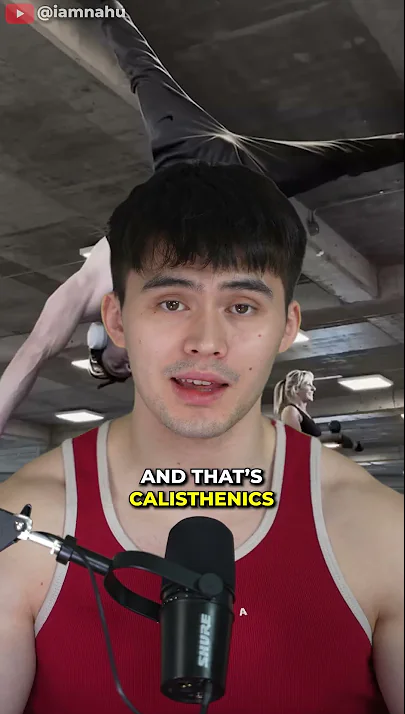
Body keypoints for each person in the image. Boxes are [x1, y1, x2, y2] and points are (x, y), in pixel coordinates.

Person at [0, 162, 403, 714]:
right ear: (117, 320)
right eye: (172, 302)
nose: (206, 342)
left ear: (287, 327)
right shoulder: (23, 527)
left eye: (242, 306)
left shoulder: (383, 534)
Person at [0, 1, 403, 436]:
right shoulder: (173, 318)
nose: (130, 361)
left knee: (142, 66)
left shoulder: (92, 284)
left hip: (184, 147)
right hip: (250, 178)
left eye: (118, 362)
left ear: (106, 332)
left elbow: (33, 354)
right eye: (130, 368)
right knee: (346, 156)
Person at [273, 369, 321, 437]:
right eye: (308, 385)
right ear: (296, 389)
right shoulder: (290, 411)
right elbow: (296, 440)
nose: (313, 388)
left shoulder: (303, 413)